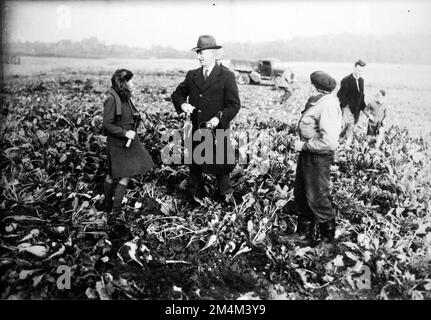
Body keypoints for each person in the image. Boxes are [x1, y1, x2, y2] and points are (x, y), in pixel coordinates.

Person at [171, 35, 241, 202]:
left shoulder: (227, 76)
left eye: (203, 53)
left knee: (221, 166)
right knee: (195, 165)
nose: (200, 56)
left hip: (217, 129)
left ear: (214, 54)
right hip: (195, 128)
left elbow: (234, 105)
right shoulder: (192, 75)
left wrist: (219, 119)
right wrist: (183, 105)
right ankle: (195, 197)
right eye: (198, 53)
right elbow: (177, 94)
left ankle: (226, 197)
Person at [280, 71, 342, 254]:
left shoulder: (328, 105)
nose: (308, 87)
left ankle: (328, 241)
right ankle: (304, 234)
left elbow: (329, 142)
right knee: (301, 192)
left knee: (318, 196)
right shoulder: (319, 101)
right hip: (309, 155)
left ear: (316, 87)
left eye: (310, 84)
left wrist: (305, 146)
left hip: (317, 157)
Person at [102, 69, 154, 220]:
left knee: (122, 175)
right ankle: (111, 208)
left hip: (127, 142)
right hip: (118, 143)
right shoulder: (112, 99)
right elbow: (107, 125)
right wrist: (125, 133)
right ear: (123, 83)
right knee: (114, 175)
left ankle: (112, 208)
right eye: (130, 81)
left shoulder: (124, 98)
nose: (133, 84)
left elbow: (129, 115)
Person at [338, 59, 367, 146]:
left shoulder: (361, 81)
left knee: (348, 128)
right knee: (350, 128)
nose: (359, 72)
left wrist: (365, 110)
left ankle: (338, 139)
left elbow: (361, 97)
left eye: (361, 71)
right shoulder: (346, 80)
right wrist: (346, 105)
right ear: (354, 68)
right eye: (358, 70)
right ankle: (347, 146)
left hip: (356, 111)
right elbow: (340, 95)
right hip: (348, 109)